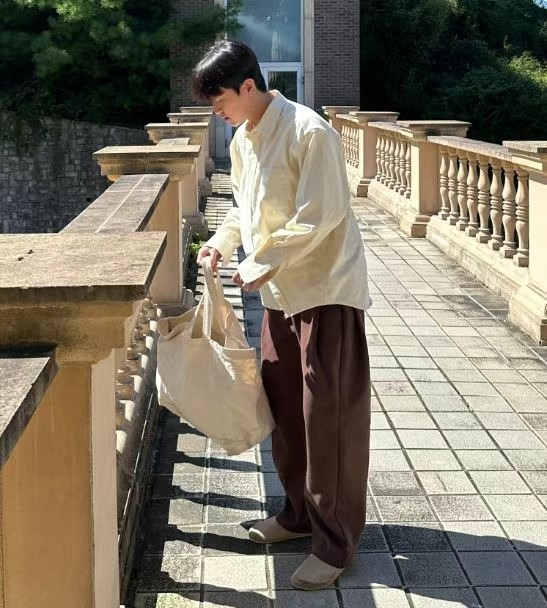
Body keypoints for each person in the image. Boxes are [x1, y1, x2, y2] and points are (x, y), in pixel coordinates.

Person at [193, 40, 371, 591]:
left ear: (248, 86)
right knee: (286, 412)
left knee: (328, 421)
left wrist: (259, 262)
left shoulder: (309, 131)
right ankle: (298, 515)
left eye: (220, 101)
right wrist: (221, 244)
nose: (217, 113)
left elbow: (321, 214)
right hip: (277, 295)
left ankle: (335, 544)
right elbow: (244, 208)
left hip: (325, 290)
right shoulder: (243, 139)